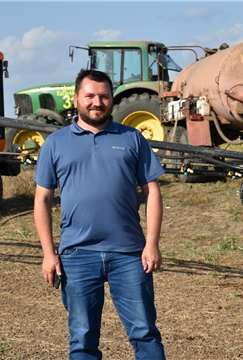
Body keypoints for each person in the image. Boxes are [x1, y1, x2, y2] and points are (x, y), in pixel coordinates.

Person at [34, 69, 166, 360]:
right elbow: (42, 200)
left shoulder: (132, 138)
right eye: (90, 96)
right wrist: (48, 253)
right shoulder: (55, 143)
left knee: (145, 334)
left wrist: (152, 243)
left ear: (111, 100)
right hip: (77, 255)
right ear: (77, 98)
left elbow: (152, 191)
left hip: (130, 254)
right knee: (82, 339)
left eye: (104, 96)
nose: (97, 102)